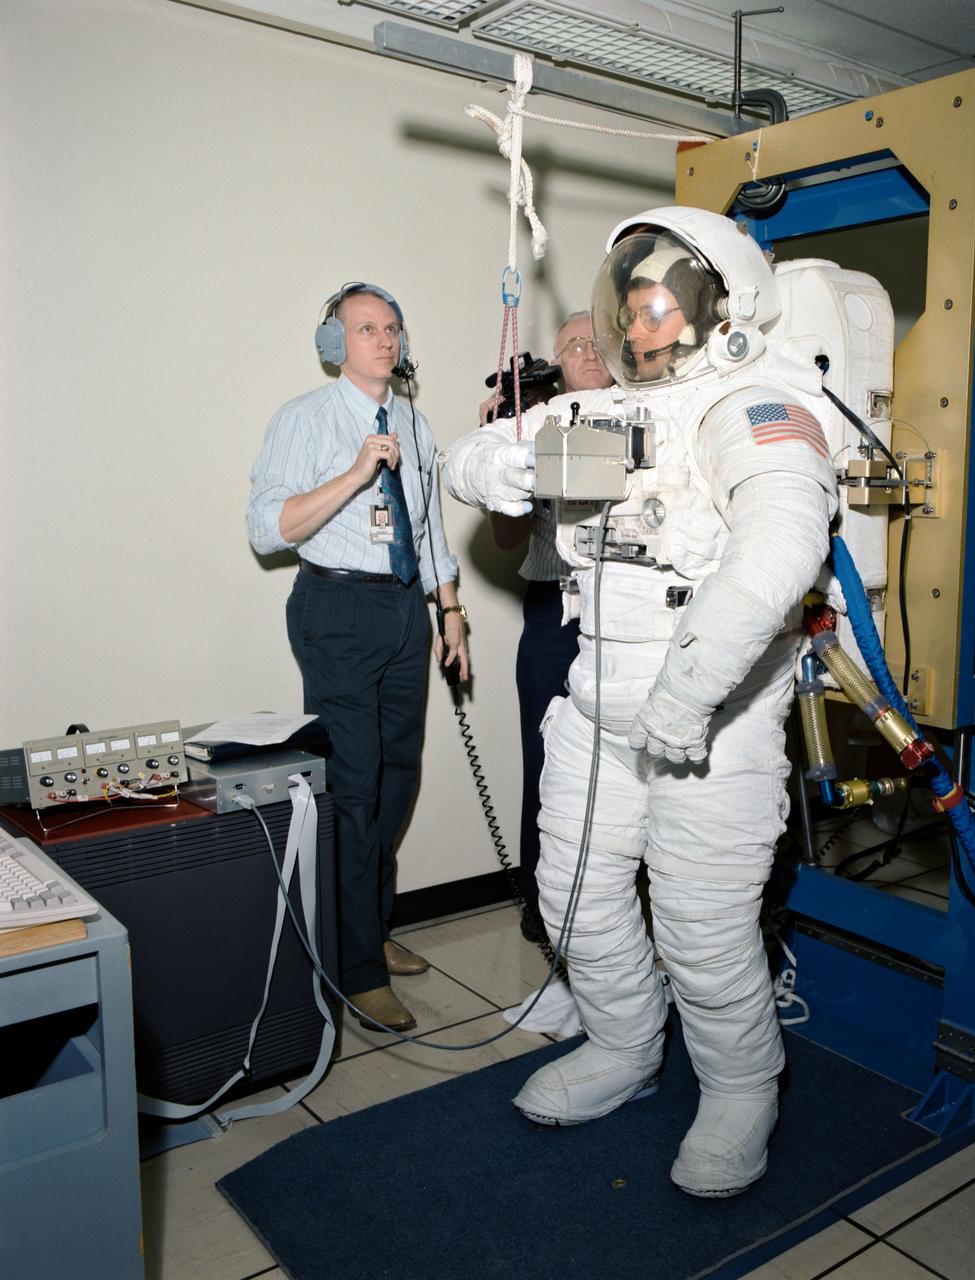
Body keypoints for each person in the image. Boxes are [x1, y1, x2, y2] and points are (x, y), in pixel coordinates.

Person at [444, 209, 839, 1197]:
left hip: (712, 720)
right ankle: (624, 1048)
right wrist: (504, 459)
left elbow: (777, 550)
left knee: (701, 934)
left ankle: (741, 1088)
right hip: (596, 702)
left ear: (720, 304)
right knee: (570, 900)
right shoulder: (608, 416)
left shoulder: (754, 405)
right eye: (630, 303)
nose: (641, 322)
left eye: (661, 303)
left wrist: (686, 694)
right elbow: (466, 461)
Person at [247, 282, 469, 1035]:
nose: (385, 339)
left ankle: (369, 930)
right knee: (354, 785)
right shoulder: (304, 420)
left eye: (392, 328)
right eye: (367, 328)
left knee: (395, 779)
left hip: (405, 609)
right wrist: (354, 473)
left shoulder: (415, 421)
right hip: (336, 609)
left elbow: (430, 524)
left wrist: (451, 611)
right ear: (335, 344)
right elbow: (267, 530)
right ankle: (357, 970)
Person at [495, 312, 613, 944]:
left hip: (626, 610)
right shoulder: (535, 426)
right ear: (554, 363)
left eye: (601, 341)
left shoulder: (647, 418)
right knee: (544, 760)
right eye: (576, 344)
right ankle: (542, 906)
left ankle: (615, 904)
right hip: (551, 609)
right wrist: (503, 452)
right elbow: (505, 534)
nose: (590, 352)